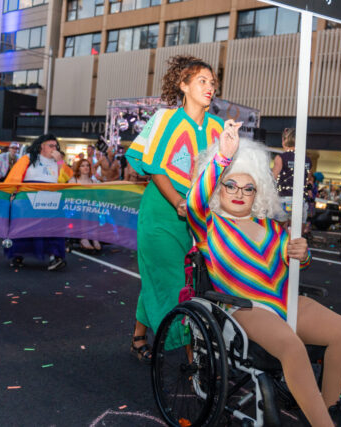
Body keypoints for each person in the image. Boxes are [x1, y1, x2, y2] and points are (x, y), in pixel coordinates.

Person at [187, 127, 341, 427]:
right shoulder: (207, 225)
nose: (240, 193)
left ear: (258, 192)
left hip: (284, 301)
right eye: (231, 185)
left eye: (248, 188)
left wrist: (303, 255)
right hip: (244, 308)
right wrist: (223, 157)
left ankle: (328, 409)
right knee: (291, 346)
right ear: (218, 188)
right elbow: (193, 201)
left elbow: (298, 267)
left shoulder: (275, 228)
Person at [125, 55, 224, 364]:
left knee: (167, 278)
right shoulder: (165, 119)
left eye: (212, 82)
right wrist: (179, 202)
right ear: (183, 85)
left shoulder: (219, 127)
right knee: (172, 280)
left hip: (198, 217)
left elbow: (222, 175)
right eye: (201, 81)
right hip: (162, 211)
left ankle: (139, 335)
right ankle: (195, 361)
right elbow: (153, 166)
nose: (209, 87)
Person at [4, 134, 71, 271]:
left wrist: (59, 162)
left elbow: (64, 179)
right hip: (28, 199)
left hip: (50, 199)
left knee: (53, 228)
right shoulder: (27, 158)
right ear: (42, 146)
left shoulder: (57, 162)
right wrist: (10, 193)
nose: (54, 148)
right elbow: (14, 177)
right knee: (24, 227)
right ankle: (17, 254)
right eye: (51, 145)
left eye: (56, 146)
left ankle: (55, 256)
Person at [272, 127, 312, 231]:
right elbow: (308, 181)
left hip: (284, 199)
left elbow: (272, 179)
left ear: (285, 140)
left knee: (278, 231)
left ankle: (281, 246)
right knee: (297, 233)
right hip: (300, 201)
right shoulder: (307, 159)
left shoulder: (281, 158)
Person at [69, 159, 102, 251]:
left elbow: (96, 198)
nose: (86, 167)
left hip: (90, 207)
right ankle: (84, 238)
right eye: (83, 165)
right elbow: (69, 198)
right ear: (79, 168)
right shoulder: (73, 181)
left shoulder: (93, 181)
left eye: (87, 165)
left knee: (95, 210)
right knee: (85, 210)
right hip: (75, 208)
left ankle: (95, 238)